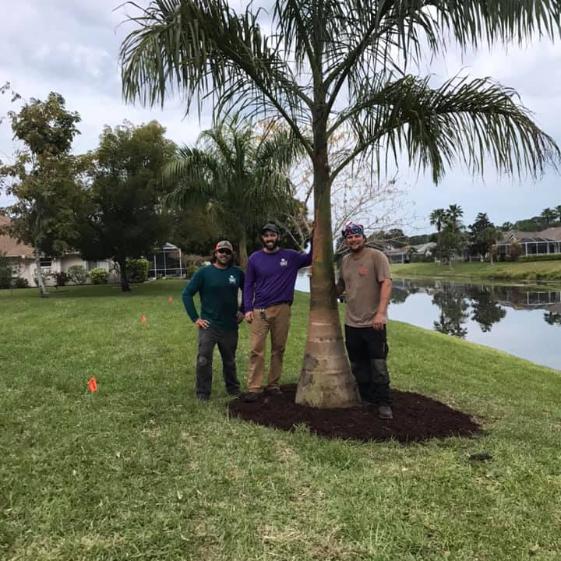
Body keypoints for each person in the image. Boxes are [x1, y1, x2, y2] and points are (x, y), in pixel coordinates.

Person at [243, 223, 312, 401]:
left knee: (278, 349)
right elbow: (248, 285)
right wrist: (247, 308)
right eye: (266, 236)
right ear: (262, 239)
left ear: (278, 237)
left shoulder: (290, 256)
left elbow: (311, 258)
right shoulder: (254, 258)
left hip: (282, 309)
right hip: (260, 310)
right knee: (256, 350)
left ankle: (273, 385)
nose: (269, 239)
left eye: (272, 235)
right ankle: (254, 387)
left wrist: (314, 237)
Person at [336, 223, 394, 420]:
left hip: (373, 322)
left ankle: (384, 402)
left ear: (364, 237)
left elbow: (386, 283)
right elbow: (341, 285)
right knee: (358, 364)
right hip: (352, 323)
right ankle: (367, 399)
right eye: (349, 237)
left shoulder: (376, 257)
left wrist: (381, 313)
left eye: (356, 236)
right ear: (346, 240)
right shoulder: (344, 260)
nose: (353, 240)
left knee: (378, 364)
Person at [182, 240, 245, 401]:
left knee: (229, 360)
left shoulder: (237, 273)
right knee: (203, 360)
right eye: (221, 251)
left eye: (227, 252)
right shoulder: (204, 273)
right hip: (209, 326)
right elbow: (187, 294)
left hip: (230, 326)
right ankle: (203, 393)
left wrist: (243, 310)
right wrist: (196, 318)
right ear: (215, 253)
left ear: (232, 255)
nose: (224, 254)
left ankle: (233, 389)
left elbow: (250, 291)